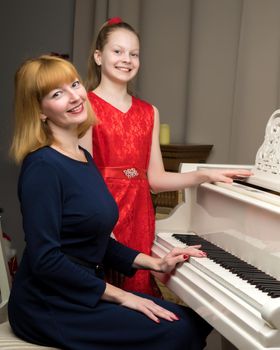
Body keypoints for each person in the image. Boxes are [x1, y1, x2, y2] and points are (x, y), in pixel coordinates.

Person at [8, 54, 213, 350]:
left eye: (75, 84)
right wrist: (123, 295)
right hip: (49, 303)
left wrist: (155, 262)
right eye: (57, 93)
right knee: (178, 331)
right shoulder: (42, 166)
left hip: (81, 290)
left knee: (196, 320)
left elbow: (95, 239)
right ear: (40, 111)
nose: (75, 96)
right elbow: (45, 259)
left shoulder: (83, 157)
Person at [80, 17, 252, 295]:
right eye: (118, 51)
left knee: (140, 293)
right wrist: (102, 225)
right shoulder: (85, 105)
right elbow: (83, 178)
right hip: (105, 211)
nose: (127, 59)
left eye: (134, 54)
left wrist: (203, 175)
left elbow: (156, 179)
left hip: (139, 214)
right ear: (98, 57)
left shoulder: (149, 112)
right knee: (111, 292)